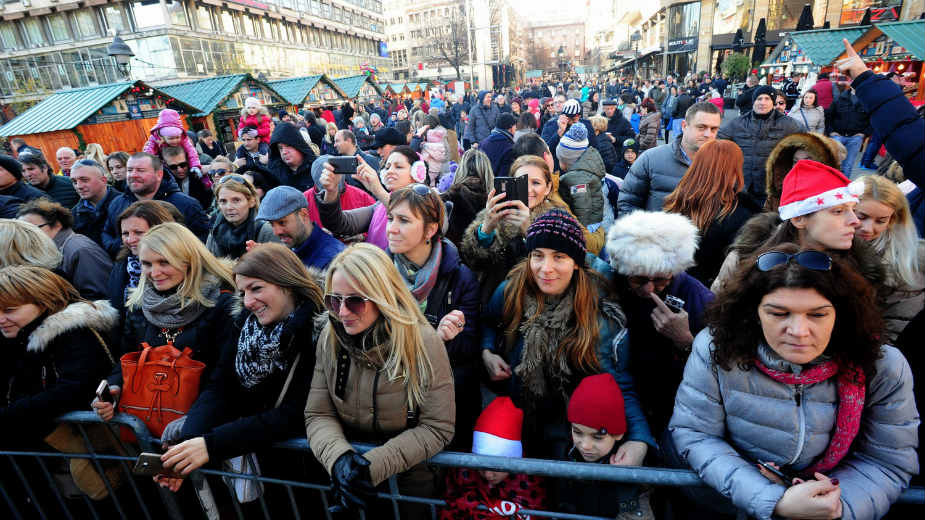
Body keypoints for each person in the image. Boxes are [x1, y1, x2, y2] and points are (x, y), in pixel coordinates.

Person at [668, 243, 918, 520]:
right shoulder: (716, 349)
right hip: (731, 502)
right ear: (754, 313)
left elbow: (886, 460)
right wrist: (772, 500)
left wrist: (837, 508)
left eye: (817, 314)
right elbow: (697, 434)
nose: (798, 331)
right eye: (778, 313)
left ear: (841, 313)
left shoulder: (883, 366)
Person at [155, 243, 323, 492]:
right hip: (262, 465)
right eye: (243, 291)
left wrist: (211, 445)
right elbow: (221, 386)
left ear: (287, 283)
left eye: (256, 289)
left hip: (310, 473)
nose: (247, 302)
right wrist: (189, 444)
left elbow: (296, 413)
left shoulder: (319, 331)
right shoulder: (244, 325)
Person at [480, 209, 647, 459]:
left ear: (577, 262)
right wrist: (487, 351)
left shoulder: (598, 311)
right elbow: (489, 322)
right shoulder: (512, 289)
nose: (546, 268)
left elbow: (616, 380)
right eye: (538, 256)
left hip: (570, 427)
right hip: (519, 412)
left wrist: (638, 439)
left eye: (559, 257)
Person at [304, 243, 455, 516]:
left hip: (409, 489)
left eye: (354, 301)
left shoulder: (423, 342)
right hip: (346, 483)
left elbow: (437, 427)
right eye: (333, 300)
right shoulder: (330, 337)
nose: (342, 312)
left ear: (383, 297)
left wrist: (367, 468)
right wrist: (339, 460)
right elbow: (318, 413)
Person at [93, 223, 238, 425]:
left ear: (189, 260)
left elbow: (225, 377)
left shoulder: (222, 305)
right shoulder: (139, 305)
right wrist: (115, 388)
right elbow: (127, 358)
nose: (155, 272)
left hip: (202, 427)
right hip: (149, 420)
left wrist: (193, 422)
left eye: (164, 262)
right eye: (147, 263)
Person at [603, 211, 714, 437]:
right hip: (620, 400)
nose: (649, 289)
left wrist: (685, 340)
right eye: (639, 279)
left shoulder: (698, 297)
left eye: (661, 280)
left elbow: (718, 372)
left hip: (674, 408)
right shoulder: (609, 287)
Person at [385, 185, 479, 449]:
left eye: (403, 220)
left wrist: (443, 340)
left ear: (430, 229)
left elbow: (468, 351)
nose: (391, 228)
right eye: (391, 218)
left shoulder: (460, 278)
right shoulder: (378, 274)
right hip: (391, 398)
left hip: (440, 405)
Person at [0, 265, 117, 446]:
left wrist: (12, 414)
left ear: (43, 302)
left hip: (85, 445)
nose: (1, 319)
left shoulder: (75, 333)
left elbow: (75, 389)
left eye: (9, 310)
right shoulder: (20, 333)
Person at [663, 139, 761, 286]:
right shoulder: (742, 214)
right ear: (733, 170)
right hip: (713, 294)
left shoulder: (676, 202)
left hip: (675, 286)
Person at [558, 374, 653, 520]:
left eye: (597, 437)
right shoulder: (566, 453)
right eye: (577, 432)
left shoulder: (632, 470)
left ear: (618, 434)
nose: (585, 446)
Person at [440, 397, 546, 519]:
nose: (488, 475)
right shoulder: (462, 471)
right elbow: (447, 506)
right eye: (481, 466)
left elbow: (538, 514)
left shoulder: (529, 478)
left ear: (513, 461)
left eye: (496, 467)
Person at [853, 175, 924, 342]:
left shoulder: (906, 262)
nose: (868, 229)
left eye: (881, 221)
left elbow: (895, 325)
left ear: (892, 220)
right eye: (861, 217)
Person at [619, 102, 722, 213]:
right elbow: (627, 204)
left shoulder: (723, 165)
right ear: (684, 126)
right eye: (701, 127)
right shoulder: (651, 159)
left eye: (713, 129)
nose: (708, 134)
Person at [102, 153, 210, 256]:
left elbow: (203, 241)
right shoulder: (117, 203)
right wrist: (128, 247)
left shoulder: (186, 204)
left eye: (140, 170)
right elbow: (107, 233)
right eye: (130, 170)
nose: (133, 175)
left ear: (159, 174)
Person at [316, 146, 423, 249]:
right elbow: (338, 223)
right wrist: (332, 191)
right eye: (387, 167)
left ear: (416, 172)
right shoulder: (379, 206)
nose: (389, 171)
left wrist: (377, 190)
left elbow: (408, 213)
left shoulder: (427, 201)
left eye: (398, 167)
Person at [718, 85, 803, 206]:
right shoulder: (738, 123)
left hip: (770, 188)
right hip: (742, 186)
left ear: (773, 102)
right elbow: (717, 141)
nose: (762, 102)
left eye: (767, 99)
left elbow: (807, 143)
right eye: (759, 99)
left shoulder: (788, 124)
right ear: (753, 102)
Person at [107, 201, 178, 338]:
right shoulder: (123, 264)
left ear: (160, 230)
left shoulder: (176, 268)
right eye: (125, 233)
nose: (130, 239)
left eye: (138, 232)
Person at [17, 199, 113, 300]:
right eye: (22, 230)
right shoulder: (47, 248)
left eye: (32, 228)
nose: (26, 235)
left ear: (57, 225)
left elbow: (100, 296)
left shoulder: (80, 249)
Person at [764, 133, 844, 212]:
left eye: (807, 161)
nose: (800, 165)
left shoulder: (834, 195)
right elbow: (768, 216)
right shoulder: (779, 190)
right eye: (795, 161)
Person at [206, 174, 279, 260]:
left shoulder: (267, 231)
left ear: (252, 201)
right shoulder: (215, 231)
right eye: (223, 201)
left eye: (236, 200)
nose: (229, 207)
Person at [304, 155, 376, 234]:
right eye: (325, 192)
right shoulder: (304, 202)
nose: (331, 189)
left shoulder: (363, 197)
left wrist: (362, 236)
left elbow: (377, 225)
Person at [556, 124, 609, 230]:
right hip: (592, 219)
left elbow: (583, 207)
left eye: (560, 160)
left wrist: (579, 229)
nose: (559, 163)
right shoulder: (581, 170)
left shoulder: (577, 179)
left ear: (568, 161)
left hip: (589, 224)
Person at [142, 109, 206, 187]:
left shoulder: (183, 139)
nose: (175, 141)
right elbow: (148, 152)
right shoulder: (154, 139)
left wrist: (195, 165)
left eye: (183, 165)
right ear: (163, 136)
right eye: (173, 167)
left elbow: (192, 152)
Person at [441, 149, 492, 245]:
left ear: (461, 169)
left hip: (454, 256)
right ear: (487, 171)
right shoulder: (493, 199)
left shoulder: (449, 197)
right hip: (484, 256)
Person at [71, 159, 122, 248]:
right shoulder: (73, 215)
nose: (79, 186)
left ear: (103, 180)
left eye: (84, 180)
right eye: (74, 182)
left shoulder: (125, 205)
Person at [825, 85, 870, 177]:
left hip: (855, 138)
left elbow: (872, 119)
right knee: (833, 162)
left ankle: (843, 186)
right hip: (837, 136)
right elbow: (829, 116)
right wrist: (831, 131)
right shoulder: (840, 98)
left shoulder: (867, 101)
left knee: (848, 165)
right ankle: (830, 185)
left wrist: (864, 133)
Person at [266, 122, 318, 192]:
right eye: (280, 148)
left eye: (288, 145)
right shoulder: (275, 172)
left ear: (298, 144)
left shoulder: (316, 167)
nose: (284, 152)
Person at [163, 146, 213, 210]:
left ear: (188, 161)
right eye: (173, 167)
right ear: (166, 166)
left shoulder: (202, 176)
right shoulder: (165, 183)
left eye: (183, 165)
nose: (179, 170)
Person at [479, 113, 517, 178]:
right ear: (511, 127)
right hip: (495, 186)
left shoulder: (483, 142)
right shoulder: (509, 148)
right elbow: (504, 177)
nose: (516, 128)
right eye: (515, 126)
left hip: (481, 182)